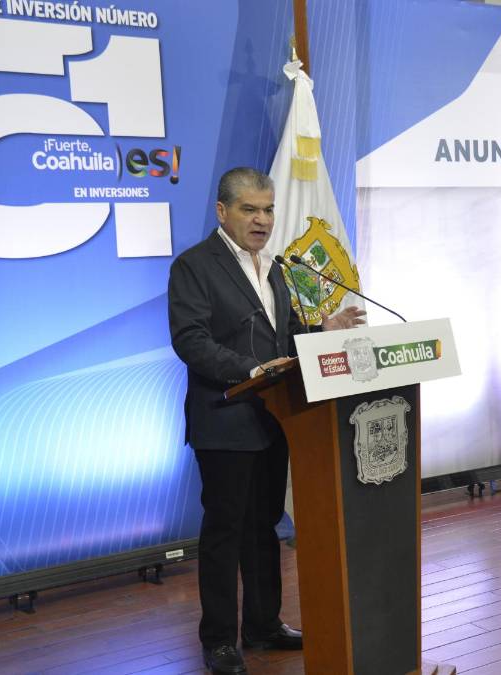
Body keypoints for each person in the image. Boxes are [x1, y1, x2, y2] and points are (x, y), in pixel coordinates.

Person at [168, 167, 365, 675]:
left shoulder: (276, 266)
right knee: (224, 532)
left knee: (264, 527)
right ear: (222, 212)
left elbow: (283, 338)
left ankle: (262, 624)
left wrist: (321, 329)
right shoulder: (194, 266)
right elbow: (190, 340)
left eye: (269, 209)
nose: (262, 220)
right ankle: (219, 641)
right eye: (250, 209)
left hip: (275, 417)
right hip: (225, 419)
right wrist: (251, 370)